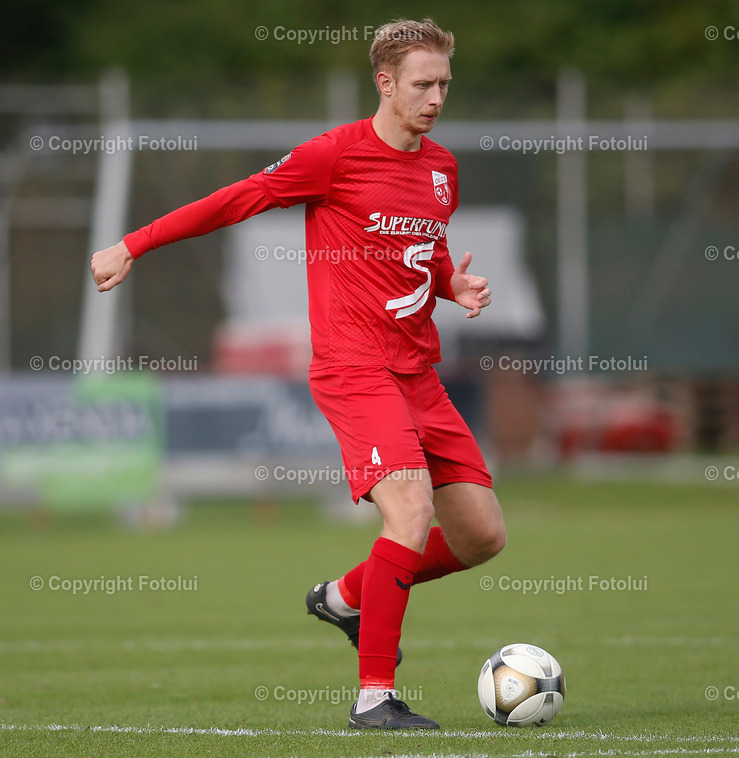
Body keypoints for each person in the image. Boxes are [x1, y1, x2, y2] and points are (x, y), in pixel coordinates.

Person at [89, 17, 506, 730]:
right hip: (355, 367)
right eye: (422, 84)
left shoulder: (442, 168)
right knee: (409, 510)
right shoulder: (334, 155)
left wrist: (448, 286)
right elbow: (236, 199)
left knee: (481, 537)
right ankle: (374, 698)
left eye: (443, 84)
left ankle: (346, 597)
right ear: (385, 82)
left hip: (419, 373)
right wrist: (135, 242)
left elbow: (420, 246)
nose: (436, 97)